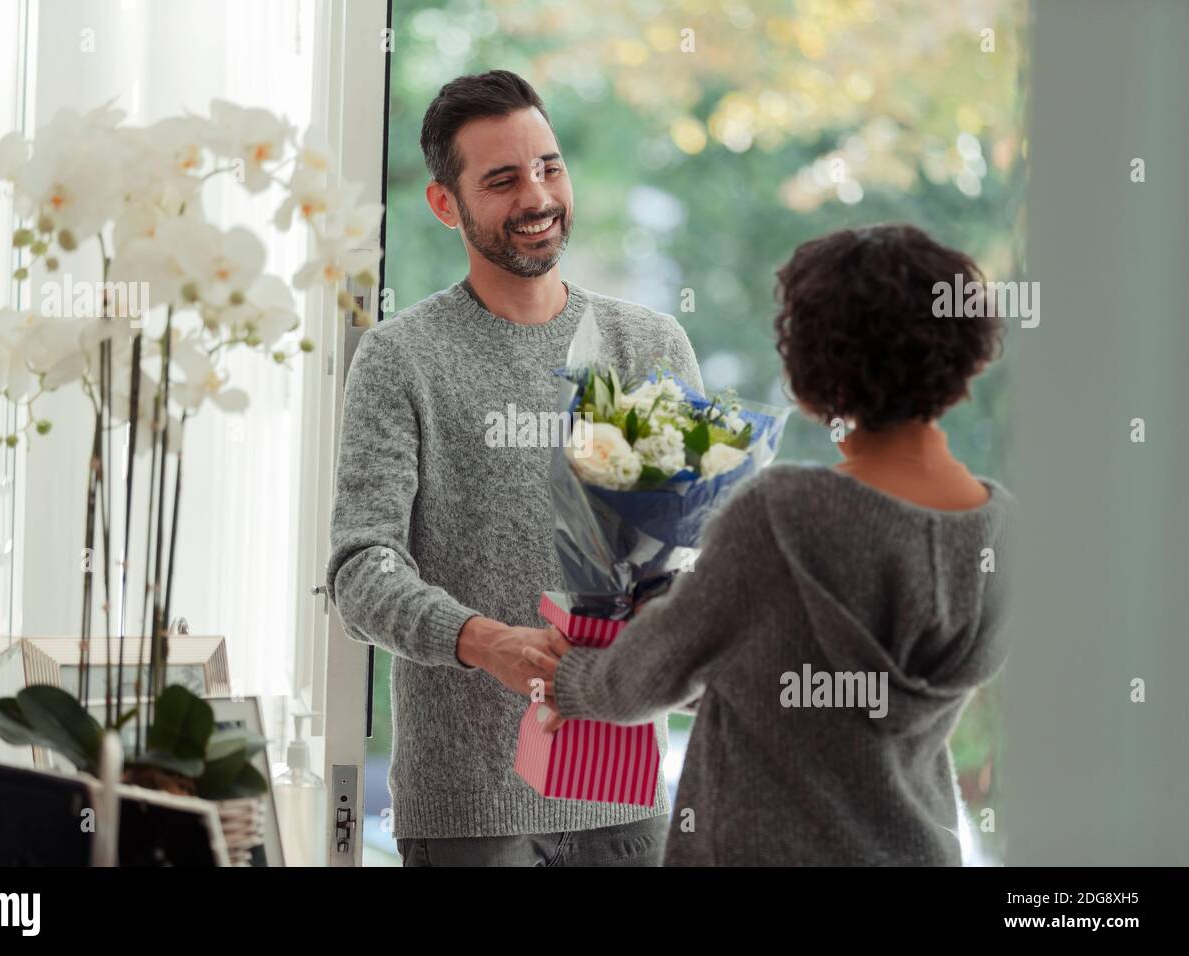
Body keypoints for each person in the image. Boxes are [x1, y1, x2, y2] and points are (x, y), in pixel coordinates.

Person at [527, 224, 1014, 865]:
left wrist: (567, 680)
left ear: (814, 361)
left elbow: (641, 681)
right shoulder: (1003, 529)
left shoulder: (782, 514)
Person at [324, 70, 703, 866]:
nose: (537, 197)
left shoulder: (649, 346)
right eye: (502, 180)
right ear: (445, 204)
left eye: (549, 167)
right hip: (469, 809)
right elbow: (361, 570)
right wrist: (480, 639)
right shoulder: (403, 358)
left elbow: (691, 562)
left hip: (623, 789)